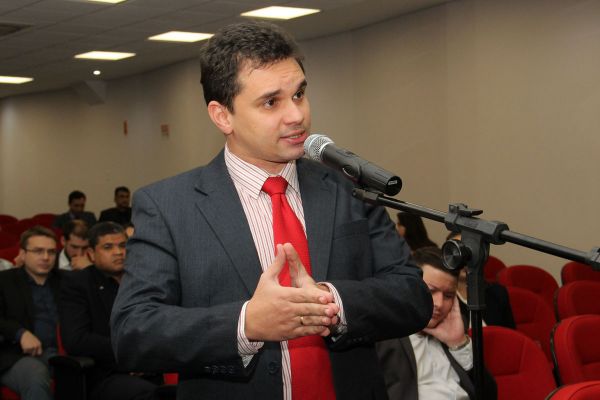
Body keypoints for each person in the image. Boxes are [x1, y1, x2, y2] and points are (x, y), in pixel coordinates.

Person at [110, 21, 432, 400]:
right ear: (222, 115)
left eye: (299, 94)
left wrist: (331, 302)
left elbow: (412, 295)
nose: (296, 115)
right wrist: (247, 323)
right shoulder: (168, 206)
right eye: (271, 102)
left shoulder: (348, 189)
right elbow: (133, 331)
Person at [376, 247, 497, 400]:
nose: (439, 304)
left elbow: (490, 395)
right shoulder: (384, 334)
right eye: (431, 291)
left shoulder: (456, 330)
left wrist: (458, 343)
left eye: (448, 295)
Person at [59, 222, 158, 400]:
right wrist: (130, 354)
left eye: (123, 245)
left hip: (151, 367)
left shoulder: (142, 280)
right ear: (91, 253)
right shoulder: (77, 284)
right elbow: (76, 340)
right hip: (104, 372)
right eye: (108, 247)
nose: (118, 252)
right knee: (147, 393)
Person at [0, 226, 60, 400]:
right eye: (38, 251)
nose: (46, 257)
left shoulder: (67, 280)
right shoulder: (4, 280)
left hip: (62, 353)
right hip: (17, 356)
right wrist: (20, 333)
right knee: (36, 375)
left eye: (51, 252)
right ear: (23, 254)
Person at [445, 232, 515, 330]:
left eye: (470, 252)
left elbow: (510, 335)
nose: (465, 260)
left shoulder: (497, 293)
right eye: (458, 253)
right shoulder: (442, 296)